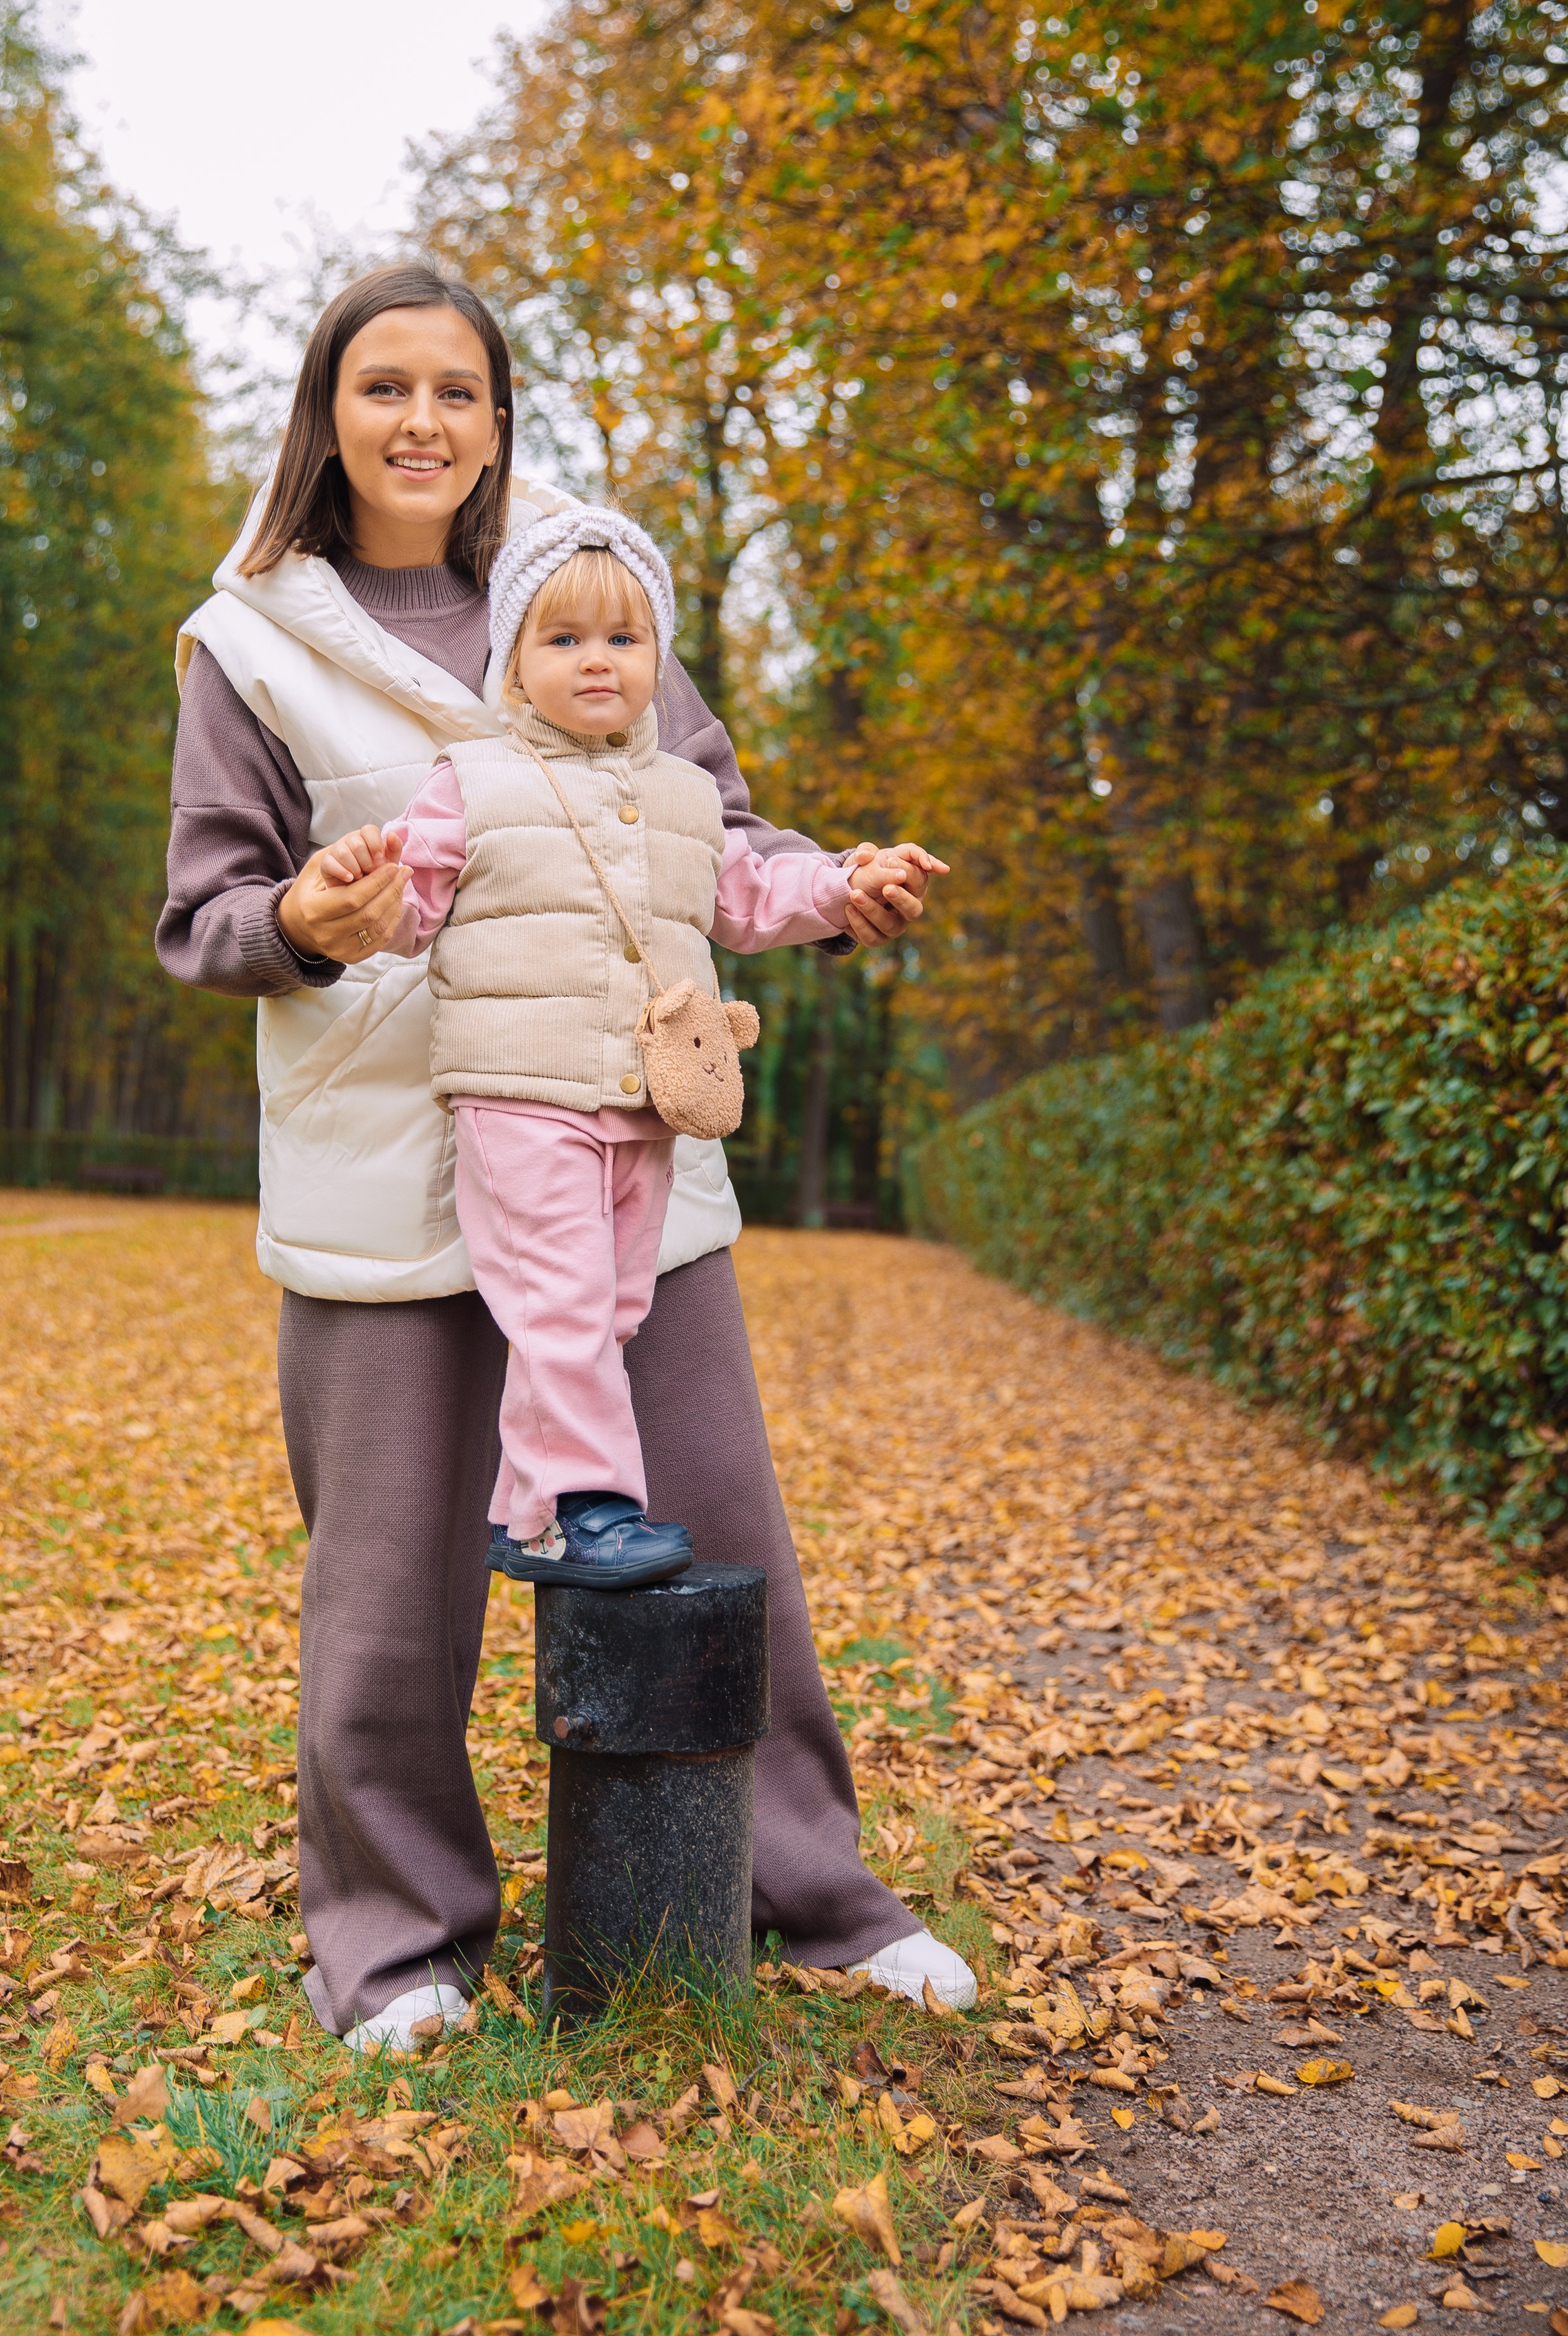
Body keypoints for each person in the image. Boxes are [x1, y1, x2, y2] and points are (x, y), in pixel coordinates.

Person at [156, 260, 979, 2053]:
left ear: (500, 416)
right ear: (330, 414)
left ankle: (811, 1892)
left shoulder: (592, 587)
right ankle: (395, 1945)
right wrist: (305, 911)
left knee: (717, 1532)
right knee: (388, 1593)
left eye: (460, 389)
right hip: (384, 1161)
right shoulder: (255, 643)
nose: (425, 421)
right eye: (387, 387)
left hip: (629, 1153)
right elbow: (203, 914)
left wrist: (843, 896)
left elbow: (722, 831)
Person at [313, 502, 947, 1593]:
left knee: (611, 1308)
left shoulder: (689, 797)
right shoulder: (473, 781)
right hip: (519, 1094)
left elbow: (752, 895)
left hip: (647, 1101)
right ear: (514, 664)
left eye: (622, 638)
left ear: (659, 655)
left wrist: (847, 883)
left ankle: (527, 1511)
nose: (595, 661)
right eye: (562, 641)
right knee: (556, 1300)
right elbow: (411, 904)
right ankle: (592, 1507)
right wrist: (359, 887)